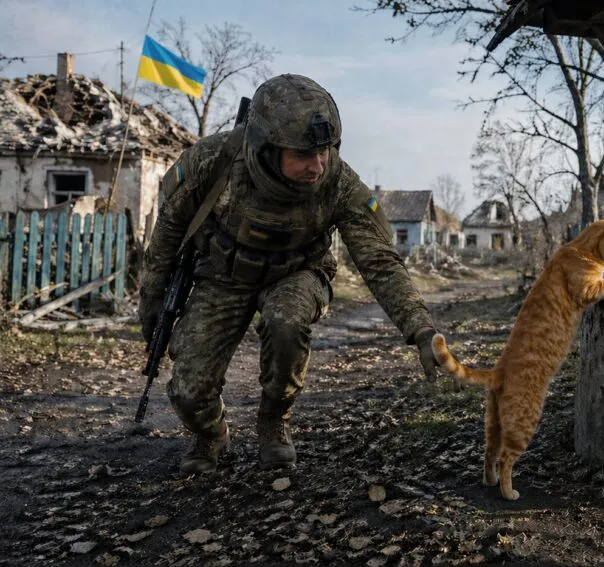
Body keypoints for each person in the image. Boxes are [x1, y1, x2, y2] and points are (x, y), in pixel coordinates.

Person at [138, 74, 438, 475]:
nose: (318, 165)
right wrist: (152, 301)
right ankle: (211, 434)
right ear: (267, 149)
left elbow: (380, 260)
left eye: (325, 151)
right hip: (223, 277)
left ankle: (273, 419)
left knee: (286, 322)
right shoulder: (214, 161)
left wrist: (419, 327)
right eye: (304, 155)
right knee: (188, 391)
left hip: (297, 272)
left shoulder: (339, 184)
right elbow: (168, 232)